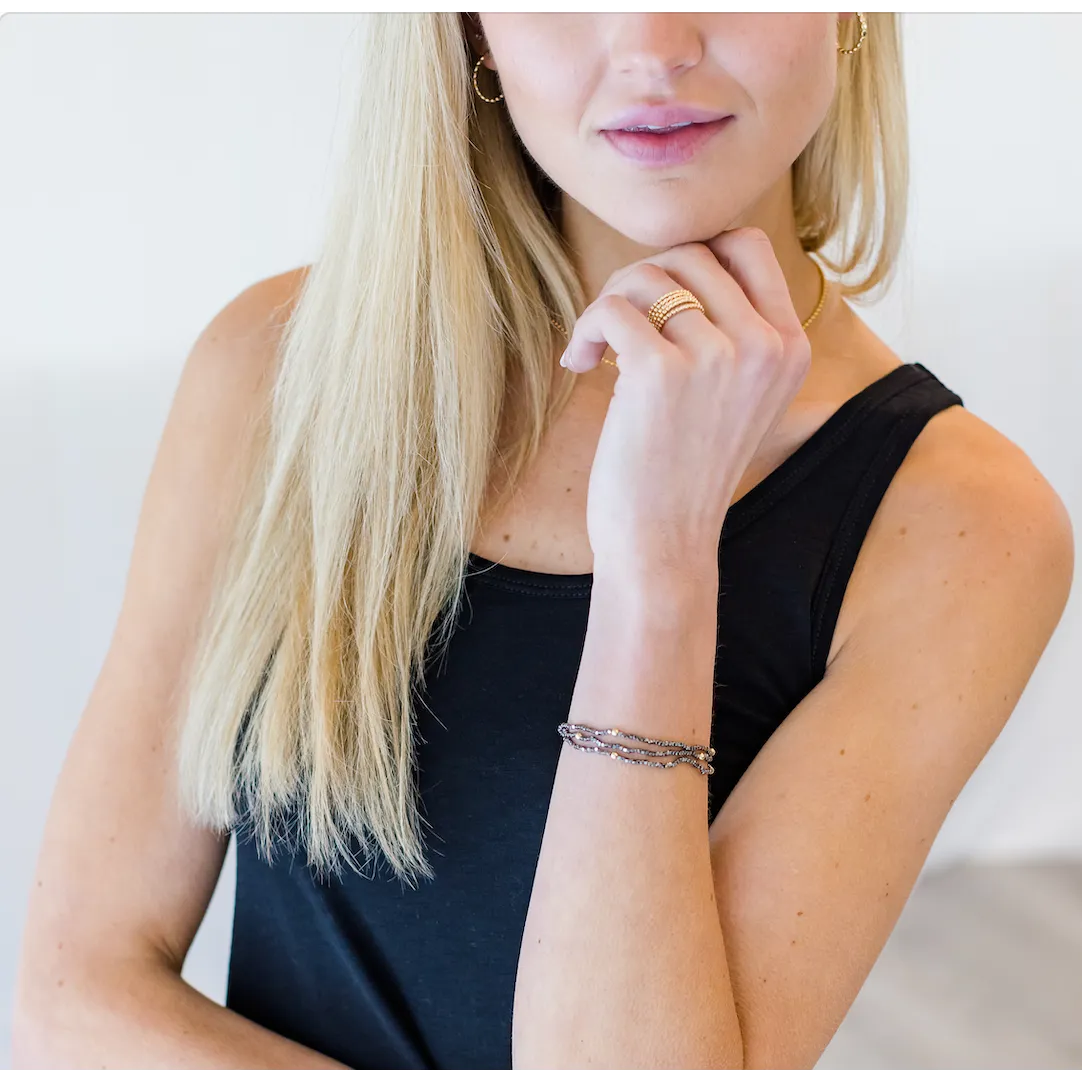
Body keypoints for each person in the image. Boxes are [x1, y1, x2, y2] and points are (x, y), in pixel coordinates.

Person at [13, 10, 1075, 1073]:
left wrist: (656, 566)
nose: (653, 46)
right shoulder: (275, 371)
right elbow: (73, 999)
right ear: (473, 33)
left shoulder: (958, 525)